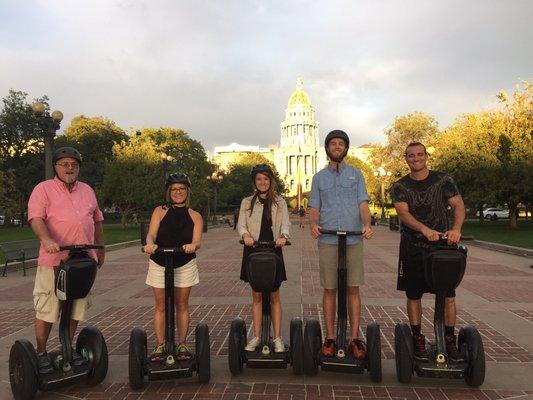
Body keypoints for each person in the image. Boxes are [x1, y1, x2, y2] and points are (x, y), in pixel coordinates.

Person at [27, 147, 105, 374]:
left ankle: (67, 349)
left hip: (83, 261)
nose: (70, 168)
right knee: (48, 308)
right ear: (56, 167)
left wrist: (101, 248)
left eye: (74, 164)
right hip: (55, 260)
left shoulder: (87, 190)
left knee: (75, 309)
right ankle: (41, 353)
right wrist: (47, 239)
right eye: (64, 164)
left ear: (79, 167)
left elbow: (97, 220)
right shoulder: (44, 189)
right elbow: (36, 218)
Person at [391, 142, 466, 361]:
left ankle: (449, 338)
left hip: (441, 247)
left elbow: (458, 205)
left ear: (426, 156)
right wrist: (424, 229)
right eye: (411, 155)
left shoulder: (443, 180)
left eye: (420, 154)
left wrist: (455, 229)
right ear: (406, 159)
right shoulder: (400, 186)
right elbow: (403, 214)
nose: (416, 158)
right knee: (414, 294)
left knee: (448, 294)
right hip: (413, 246)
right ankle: (417, 338)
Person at [308, 130, 373, 360]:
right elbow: (314, 206)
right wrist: (314, 224)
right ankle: (331, 337)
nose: (337, 147)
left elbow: (363, 203)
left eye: (341, 144)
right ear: (327, 148)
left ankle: (354, 337)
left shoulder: (356, 175)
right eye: (333, 143)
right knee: (330, 289)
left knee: (353, 288)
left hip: (353, 239)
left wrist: (367, 224)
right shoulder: (319, 178)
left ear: (346, 148)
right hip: (328, 239)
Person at [143, 172, 203, 362]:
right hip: (159, 262)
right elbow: (151, 234)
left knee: (181, 304)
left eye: (182, 189)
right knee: (161, 305)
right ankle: (160, 344)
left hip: (184, 263)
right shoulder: (159, 211)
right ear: (169, 192)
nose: (178, 192)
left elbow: (197, 240)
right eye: (174, 189)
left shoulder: (195, 215)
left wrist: (193, 245)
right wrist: (150, 244)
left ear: (187, 191)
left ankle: (182, 343)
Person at [237, 164, 290, 353]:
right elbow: (241, 226)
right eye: (259, 179)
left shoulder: (280, 202)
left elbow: (285, 224)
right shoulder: (246, 202)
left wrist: (283, 236)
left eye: (266, 179)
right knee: (257, 295)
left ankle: (277, 337)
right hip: (253, 250)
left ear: (271, 181)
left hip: (273, 249)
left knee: (275, 294)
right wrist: (245, 236)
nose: (262, 182)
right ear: (254, 182)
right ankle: (258, 336)